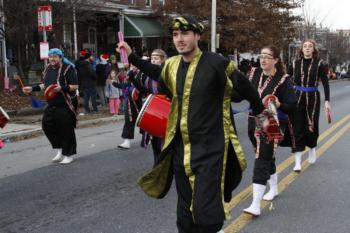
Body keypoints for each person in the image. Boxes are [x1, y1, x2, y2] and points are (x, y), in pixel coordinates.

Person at [116, 16, 267, 233]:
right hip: (181, 149)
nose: (180, 39)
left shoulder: (217, 63)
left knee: (206, 213)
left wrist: (261, 112)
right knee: (185, 213)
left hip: (210, 149)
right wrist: (132, 56)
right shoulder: (172, 65)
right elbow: (156, 73)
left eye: (185, 34)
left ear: (197, 36)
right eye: (176, 35)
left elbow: (246, 87)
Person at [243, 45, 297, 216]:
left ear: (275, 60)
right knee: (266, 156)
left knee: (262, 158)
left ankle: (255, 204)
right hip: (253, 119)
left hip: (271, 121)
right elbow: (240, 94)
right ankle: (273, 188)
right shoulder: (254, 74)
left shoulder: (283, 79)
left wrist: (279, 103)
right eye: (261, 56)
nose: (263, 59)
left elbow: (292, 105)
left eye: (267, 56)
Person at [22, 48, 78, 164]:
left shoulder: (68, 69)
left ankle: (69, 154)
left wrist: (61, 88)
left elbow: (75, 86)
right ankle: (59, 149)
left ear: (60, 57)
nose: (52, 59)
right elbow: (44, 85)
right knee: (47, 126)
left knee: (66, 129)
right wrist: (32, 88)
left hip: (65, 104)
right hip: (51, 104)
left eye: (55, 56)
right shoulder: (47, 69)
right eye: (50, 56)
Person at [288, 39, 331, 172]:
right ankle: (298, 162)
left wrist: (327, 101)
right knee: (297, 128)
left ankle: (312, 148)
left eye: (310, 46)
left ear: (313, 50)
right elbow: (286, 80)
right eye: (305, 46)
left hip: (313, 97)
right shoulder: (294, 63)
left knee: (311, 126)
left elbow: (325, 82)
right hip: (297, 97)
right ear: (301, 49)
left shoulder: (319, 64)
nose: (307, 48)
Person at [129, 49, 167, 162]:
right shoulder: (146, 76)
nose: (153, 60)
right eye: (152, 58)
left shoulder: (166, 73)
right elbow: (143, 91)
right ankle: (158, 168)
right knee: (155, 143)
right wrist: (132, 78)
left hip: (165, 111)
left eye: (156, 58)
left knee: (165, 145)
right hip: (154, 111)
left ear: (162, 59)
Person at [76, 49, 98, 114]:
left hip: (84, 83)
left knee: (86, 97)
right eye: (91, 56)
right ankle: (95, 110)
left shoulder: (80, 64)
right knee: (93, 97)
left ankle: (87, 110)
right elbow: (92, 73)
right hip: (91, 83)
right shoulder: (88, 64)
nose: (93, 58)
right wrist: (95, 77)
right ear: (88, 57)